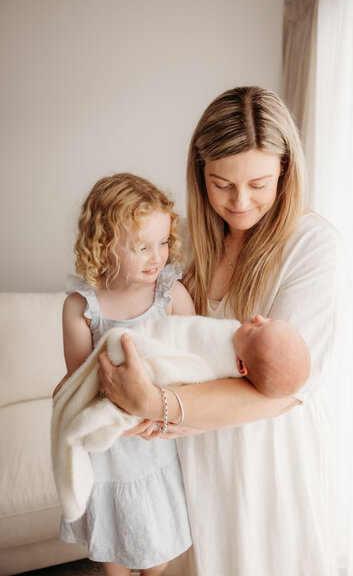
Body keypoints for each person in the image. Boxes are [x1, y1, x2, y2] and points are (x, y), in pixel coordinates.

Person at [97, 87, 344, 576]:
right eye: (221, 184)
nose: (241, 202)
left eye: (259, 183)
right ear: (199, 173)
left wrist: (153, 404)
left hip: (267, 461)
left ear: (285, 170)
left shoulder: (312, 245)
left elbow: (284, 393)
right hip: (194, 453)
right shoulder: (184, 246)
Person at [54, 173, 195, 576]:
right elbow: (82, 385)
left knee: (158, 552)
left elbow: (192, 363)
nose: (157, 256)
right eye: (141, 247)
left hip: (157, 446)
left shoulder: (170, 295)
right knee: (112, 551)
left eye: (164, 243)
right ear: (103, 244)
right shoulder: (83, 307)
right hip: (110, 453)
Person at [52, 312, 311, 525]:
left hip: (146, 361)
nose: (256, 317)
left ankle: (84, 422)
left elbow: (188, 361)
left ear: (241, 367)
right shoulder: (234, 337)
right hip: (142, 352)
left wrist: (149, 401)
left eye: (257, 328)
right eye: (267, 319)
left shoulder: (224, 357)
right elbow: (184, 328)